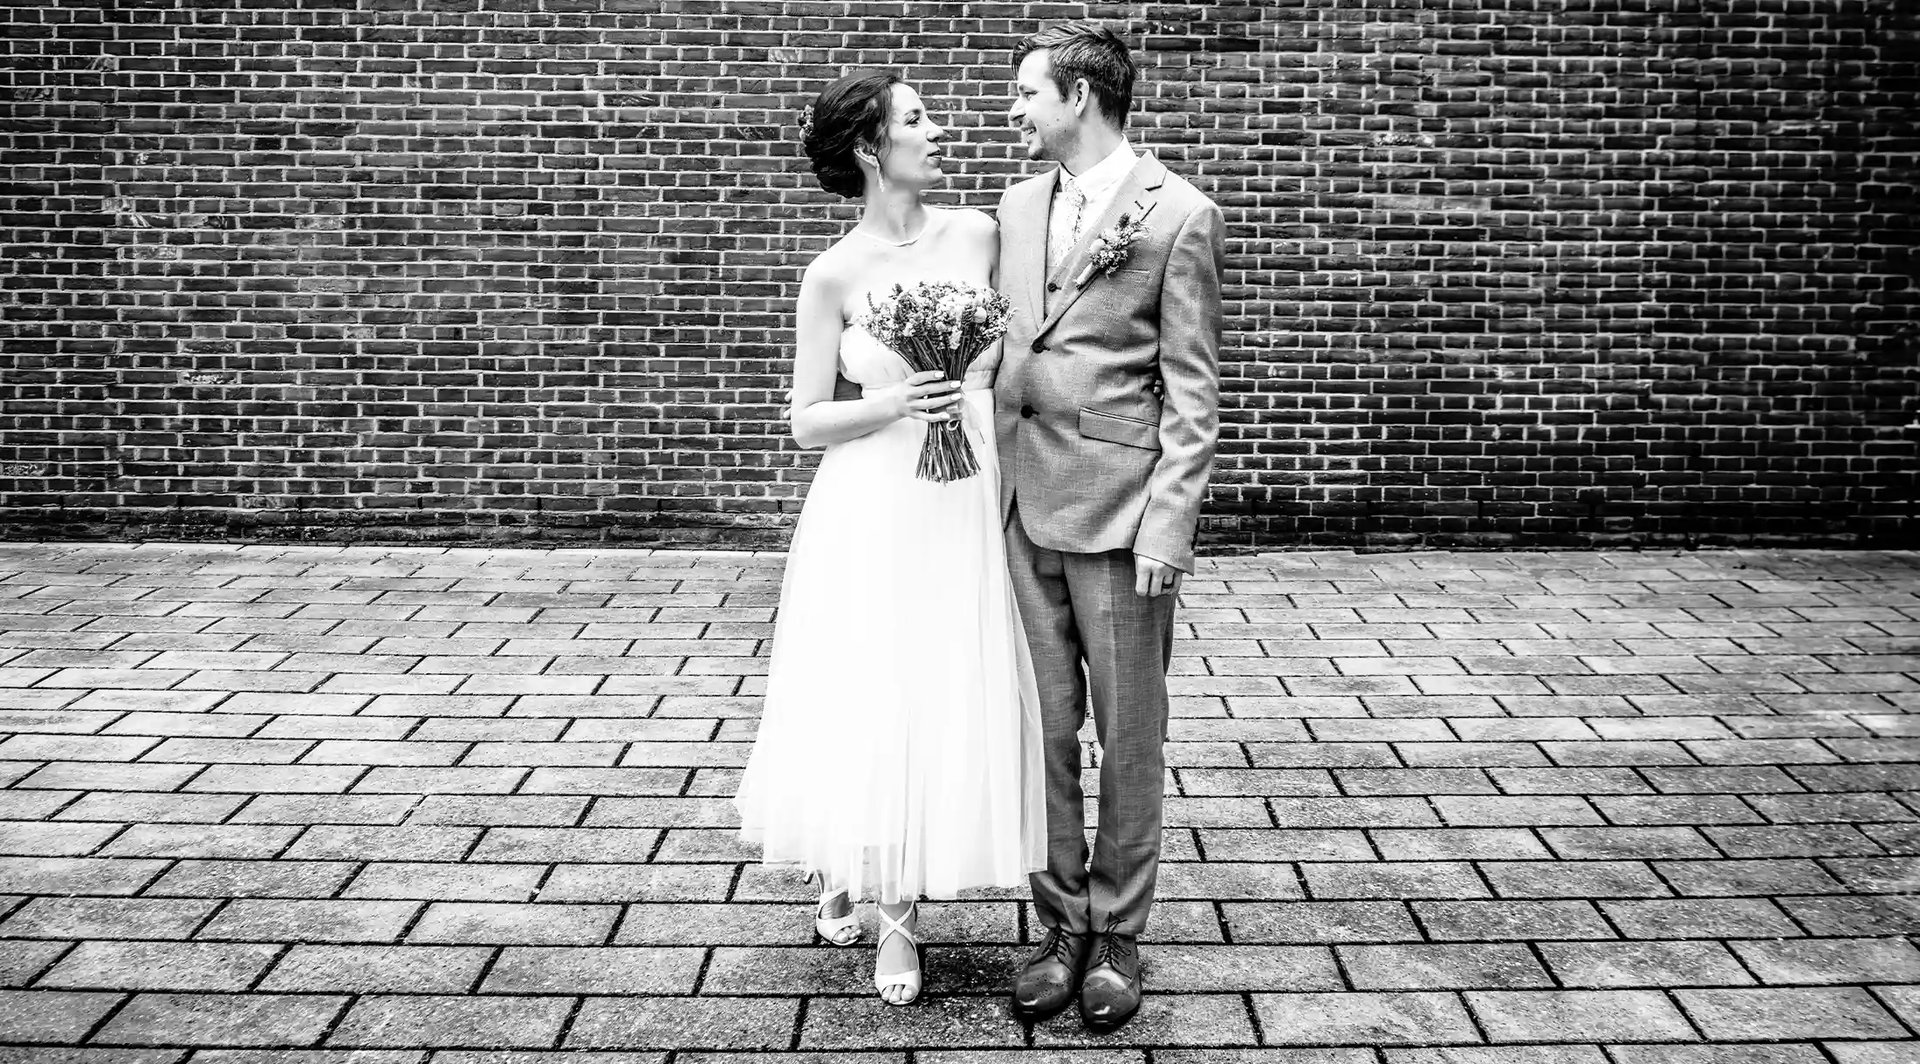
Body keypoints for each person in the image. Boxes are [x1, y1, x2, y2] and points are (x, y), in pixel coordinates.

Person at [733, 70, 1046, 1007]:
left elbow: (1015, 356)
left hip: (966, 496)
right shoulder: (832, 274)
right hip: (873, 502)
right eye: (917, 120)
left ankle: (866, 874)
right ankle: (893, 916)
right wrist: (893, 402)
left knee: (944, 683)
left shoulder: (979, 234)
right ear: (872, 148)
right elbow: (805, 421)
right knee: (878, 687)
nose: (938, 130)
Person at [994, 23, 1226, 1033]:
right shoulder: (1016, 206)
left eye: (1027, 93)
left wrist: (1168, 530)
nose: (1015, 110)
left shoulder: (1180, 214)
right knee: (1041, 730)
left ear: (1080, 96)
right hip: (1018, 506)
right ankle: (1060, 924)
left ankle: (1121, 932)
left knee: (1128, 736)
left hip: (1122, 517)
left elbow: (1193, 396)